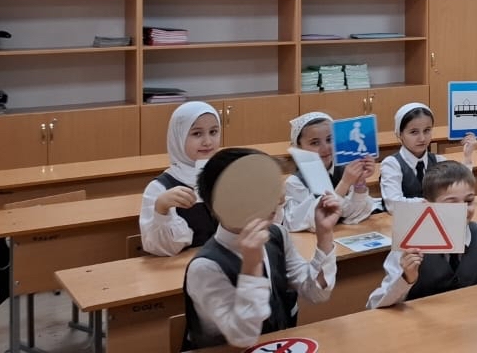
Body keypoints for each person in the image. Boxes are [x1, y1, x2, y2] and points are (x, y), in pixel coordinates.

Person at [182, 148, 340, 349]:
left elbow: (316, 292)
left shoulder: (277, 235)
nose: (280, 198)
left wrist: (324, 235)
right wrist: (251, 266)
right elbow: (243, 337)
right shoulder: (205, 267)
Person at [366, 161, 477, 307]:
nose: (463, 209)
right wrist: (406, 278)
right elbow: (375, 304)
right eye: (451, 203)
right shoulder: (409, 245)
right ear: (428, 206)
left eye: (469, 201)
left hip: (472, 322)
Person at [141, 101, 222, 256]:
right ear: (178, 136)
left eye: (213, 132)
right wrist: (161, 209)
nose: (207, 142)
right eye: (197, 134)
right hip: (181, 267)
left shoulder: (226, 176)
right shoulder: (159, 188)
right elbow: (161, 249)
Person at [281, 112, 377, 232]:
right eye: (315, 143)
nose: (325, 148)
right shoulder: (295, 183)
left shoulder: (343, 170)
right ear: (299, 147)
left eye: (329, 139)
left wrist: (360, 184)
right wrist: (344, 183)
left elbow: (353, 214)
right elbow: (310, 222)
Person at [380, 103, 475, 214]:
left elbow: (461, 184)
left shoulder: (438, 160)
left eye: (427, 130)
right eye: (414, 132)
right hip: (404, 221)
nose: (422, 138)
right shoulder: (392, 164)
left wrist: (467, 157)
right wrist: (432, 204)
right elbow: (393, 205)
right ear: (399, 134)